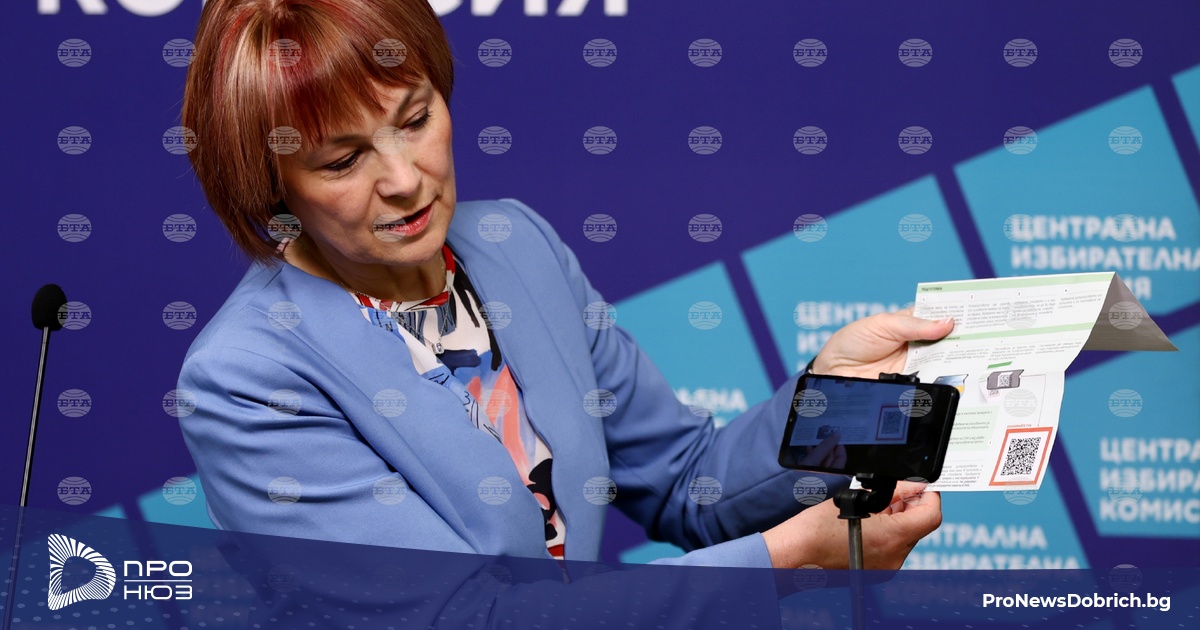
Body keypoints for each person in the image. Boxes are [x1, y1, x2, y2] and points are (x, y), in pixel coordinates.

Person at [178, 0, 951, 571]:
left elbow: (688, 485)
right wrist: (790, 557)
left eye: (414, 120)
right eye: (344, 161)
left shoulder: (514, 244)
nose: (406, 179)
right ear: (272, 186)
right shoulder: (247, 379)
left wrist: (839, 404)